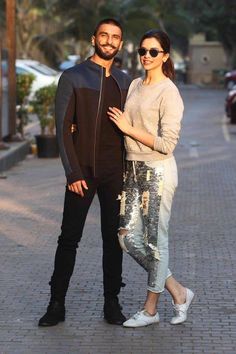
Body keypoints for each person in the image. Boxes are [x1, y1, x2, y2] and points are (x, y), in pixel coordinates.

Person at [38, 18, 131, 327]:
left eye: (115, 37)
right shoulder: (73, 77)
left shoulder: (124, 80)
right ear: (94, 38)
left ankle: (112, 302)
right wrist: (72, 172)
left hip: (113, 172)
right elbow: (63, 129)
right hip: (82, 173)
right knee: (69, 238)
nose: (108, 40)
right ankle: (56, 303)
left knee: (112, 239)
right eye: (104, 35)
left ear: (120, 43)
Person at [107, 29, 194, 328]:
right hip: (131, 170)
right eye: (143, 50)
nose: (146, 55)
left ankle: (151, 309)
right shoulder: (134, 84)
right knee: (127, 239)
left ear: (165, 56)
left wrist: (128, 129)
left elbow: (167, 143)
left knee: (156, 243)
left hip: (157, 171)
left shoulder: (169, 92)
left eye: (153, 51)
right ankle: (178, 292)